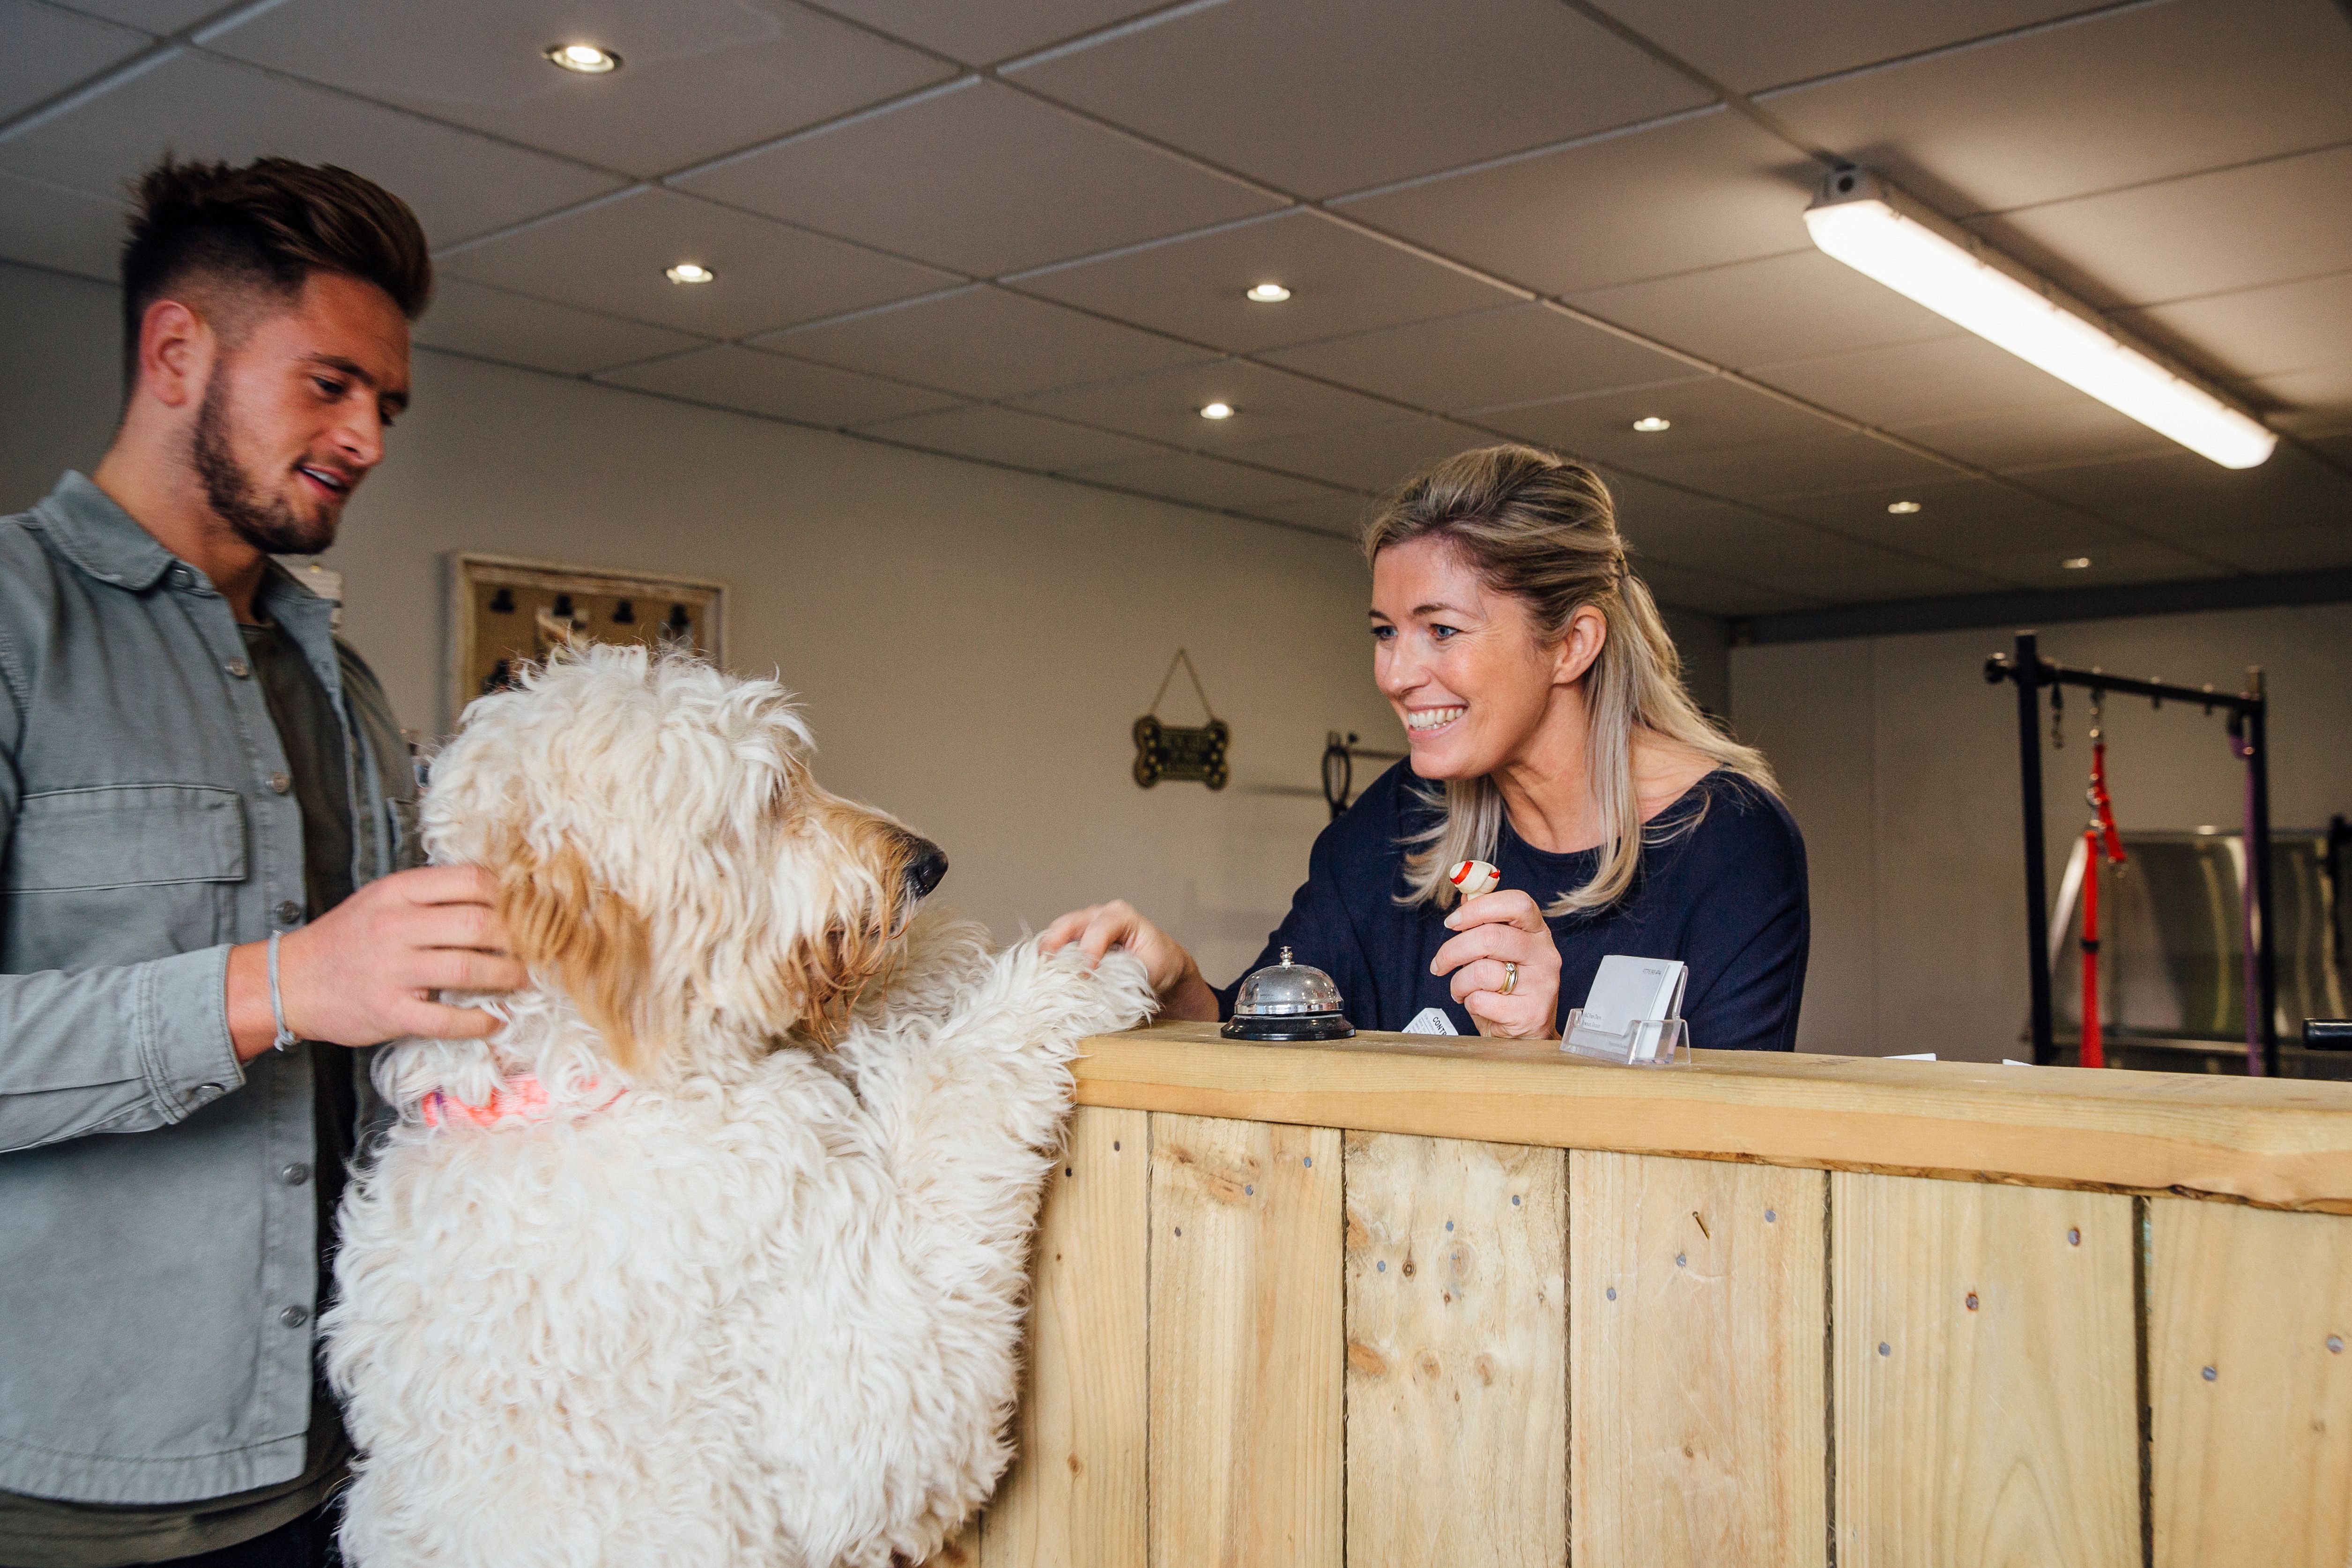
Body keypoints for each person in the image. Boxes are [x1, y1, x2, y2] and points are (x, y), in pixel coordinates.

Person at [0, 158, 524, 1568]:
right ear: (179, 352)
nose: (366, 437)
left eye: (388, 406)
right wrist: (285, 982)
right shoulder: (10, 626)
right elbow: (318, 987)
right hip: (64, 1503)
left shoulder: (338, 675)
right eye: (330, 385)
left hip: (349, 1468)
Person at [1045, 444, 1808, 1050]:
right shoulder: (1398, 817)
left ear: (1571, 644)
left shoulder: (1729, 844)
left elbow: (1725, 1176)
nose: (1395, 674)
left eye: (1440, 630)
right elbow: (1268, 1040)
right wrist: (1174, 984)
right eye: (1385, 632)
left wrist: (1540, 1047)